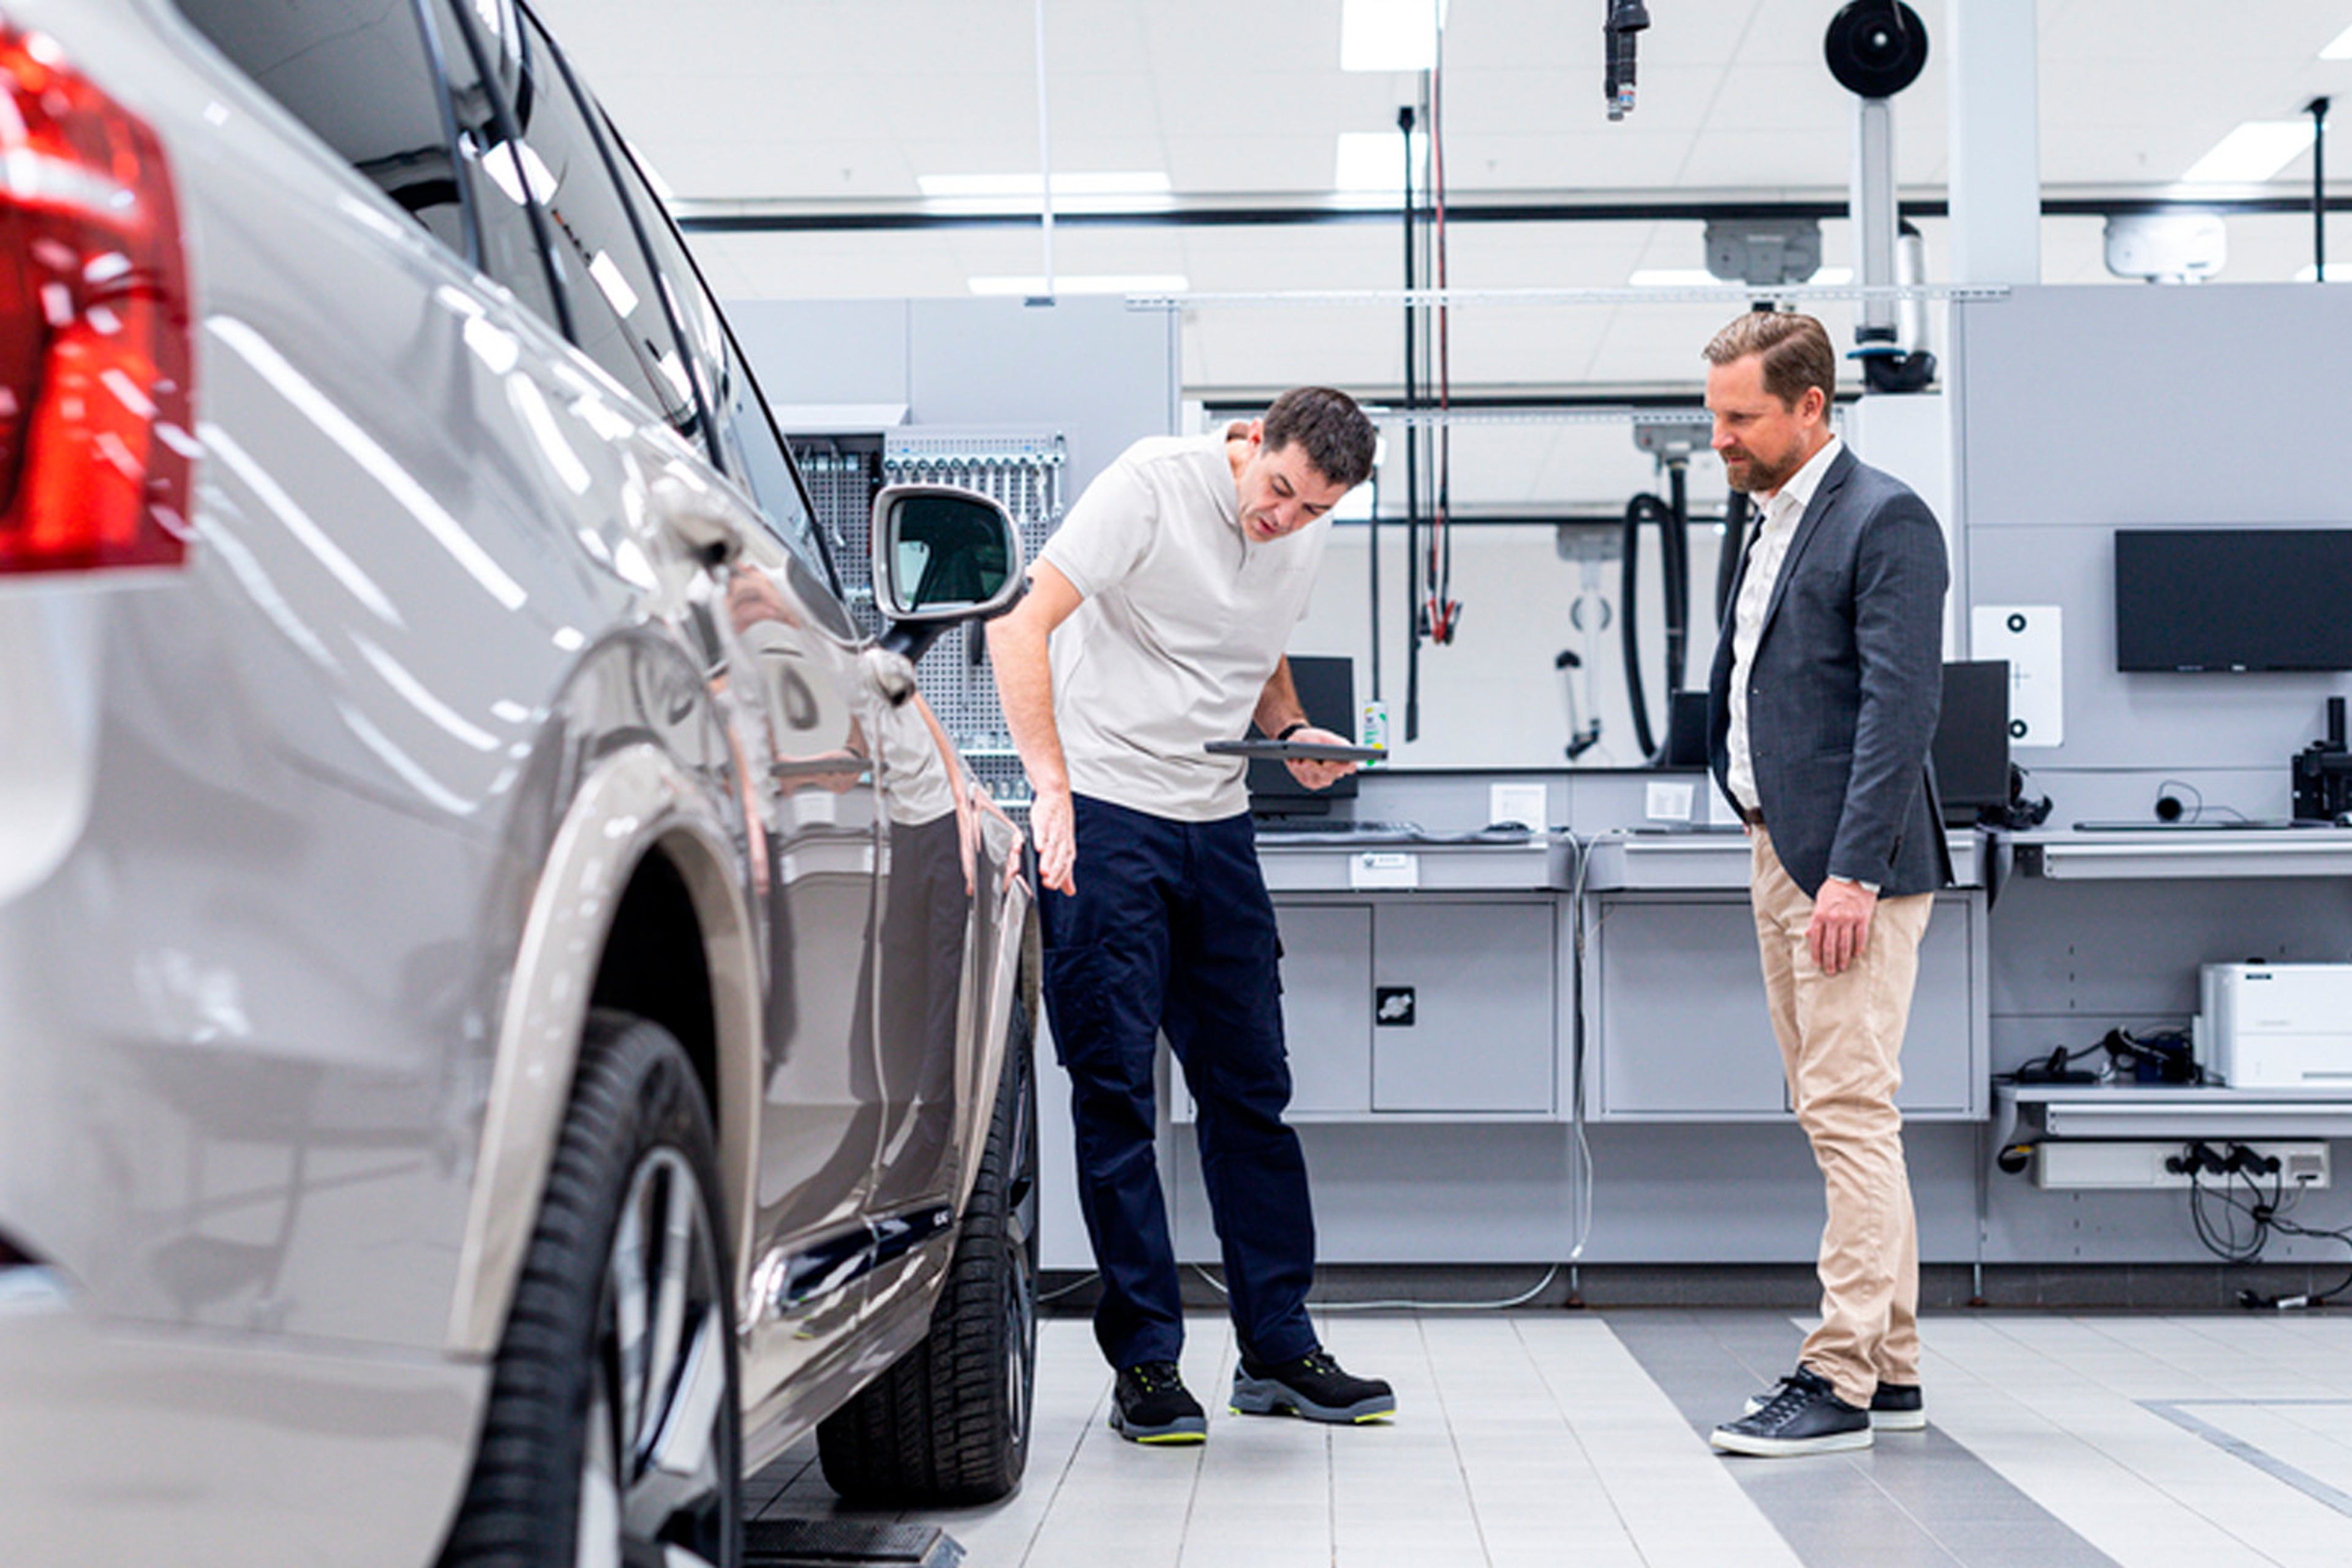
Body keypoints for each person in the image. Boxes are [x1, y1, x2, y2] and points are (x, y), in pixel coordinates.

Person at [986, 387, 1395, 1445]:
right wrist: (1050, 785)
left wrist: (1291, 729)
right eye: (1279, 492)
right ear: (1251, 442)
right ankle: (1149, 1364)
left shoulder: (1302, 529)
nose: (1285, 520)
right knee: (1117, 1094)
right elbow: (1018, 622)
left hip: (1217, 825)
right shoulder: (1150, 485)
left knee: (1252, 1092)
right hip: (1107, 814)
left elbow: (1257, 648)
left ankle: (1280, 1349)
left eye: (1314, 510)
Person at [1698, 312, 1952, 1458]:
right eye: (1715, 416)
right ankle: (1892, 1366)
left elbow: (1901, 711)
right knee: (1836, 1110)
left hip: (1852, 868)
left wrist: (1852, 872)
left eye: (1742, 417)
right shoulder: (1761, 516)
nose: (1722, 438)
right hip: (1780, 847)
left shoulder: (1883, 517)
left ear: (1811, 406)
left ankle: (1837, 1374)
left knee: (1849, 1109)